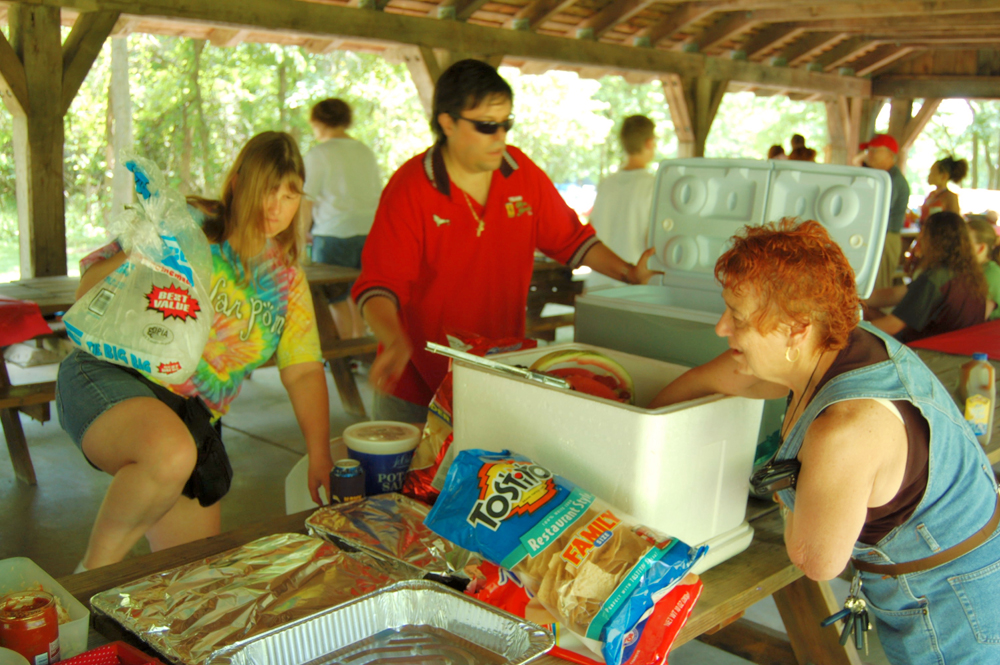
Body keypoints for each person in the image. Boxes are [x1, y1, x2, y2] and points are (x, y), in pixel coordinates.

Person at [649, 219, 1000, 665]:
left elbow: (818, 561)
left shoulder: (846, 429)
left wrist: (784, 488)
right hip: (936, 576)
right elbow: (714, 378)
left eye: (736, 318)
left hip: (955, 605)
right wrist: (645, 424)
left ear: (796, 329)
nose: (721, 328)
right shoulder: (835, 340)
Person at [57, 132, 331, 570]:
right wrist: (142, 247)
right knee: (170, 452)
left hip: (192, 420)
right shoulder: (190, 221)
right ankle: (88, 580)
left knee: (191, 577)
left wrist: (319, 453)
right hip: (110, 378)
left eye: (290, 193)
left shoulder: (287, 279)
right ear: (238, 182)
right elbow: (87, 293)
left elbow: (302, 370)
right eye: (266, 188)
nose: (276, 206)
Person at [351, 59, 661, 423]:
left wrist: (628, 273)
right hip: (417, 385)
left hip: (497, 375)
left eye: (506, 124)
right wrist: (394, 338)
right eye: (486, 126)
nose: (500, 136)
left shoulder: (521, 174)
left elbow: (573, 241)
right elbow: (377, 287)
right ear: (447, 122)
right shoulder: (411, 189)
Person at [301, 98, 383, 339]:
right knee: (357, 295)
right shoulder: (364, 151)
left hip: (333, 233)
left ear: (318, 121)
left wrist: (301, 234)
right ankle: (357, 349)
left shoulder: (319, 153)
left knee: (332, 298)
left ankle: (342, 355)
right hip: (368, 233)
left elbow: (307, 199)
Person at [863, 211, 988, 342]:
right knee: (867, 310)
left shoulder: (935, 278)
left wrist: (852, 330)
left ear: (934, 240)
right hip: (962, 346)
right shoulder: (966, 273)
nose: (920, 238)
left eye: (924, 233)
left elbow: (893, 325)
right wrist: (855, 298)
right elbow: (895, 294)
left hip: (929, 350)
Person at [585, 115, 657, 291]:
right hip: (632, 283)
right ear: (649, 143)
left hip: (597, 282)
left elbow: (591, 229)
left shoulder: (606, 184)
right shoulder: (653, 185)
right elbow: (654, 241)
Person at [861, 134, 911, 291]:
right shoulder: (883, 177)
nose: (869, 154)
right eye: (868, 150)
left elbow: (875, 210)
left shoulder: (892, 180)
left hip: (886, 238)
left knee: (877, 289)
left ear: (890, 155)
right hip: (880, 237)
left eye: (874, 150)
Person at [967, 214, 1000, 319]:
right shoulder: (972, 268)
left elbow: (977, 317)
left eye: (965, 242)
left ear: (981, 248)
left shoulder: (991, 274)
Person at [920, 156, 967, 222]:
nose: (929, 176)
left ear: (944, 176)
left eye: (933, 172)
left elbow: (956, 223)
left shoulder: (951, 197)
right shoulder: (931, 195)